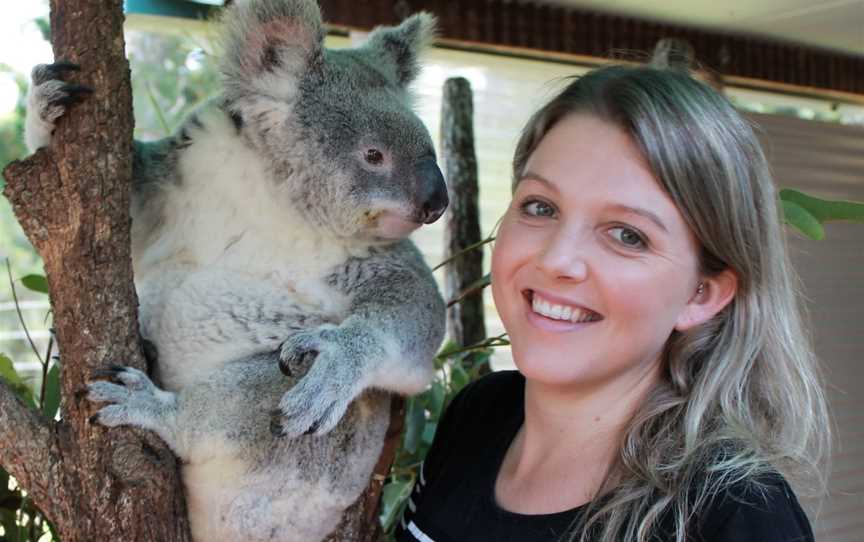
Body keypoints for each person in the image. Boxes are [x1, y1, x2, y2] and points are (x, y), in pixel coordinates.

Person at [395, 64, 830, 542]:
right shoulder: (479, 415)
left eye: (627, 235)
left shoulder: (734, 517)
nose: (558, 259)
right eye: (541, 207)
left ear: (700, 294)